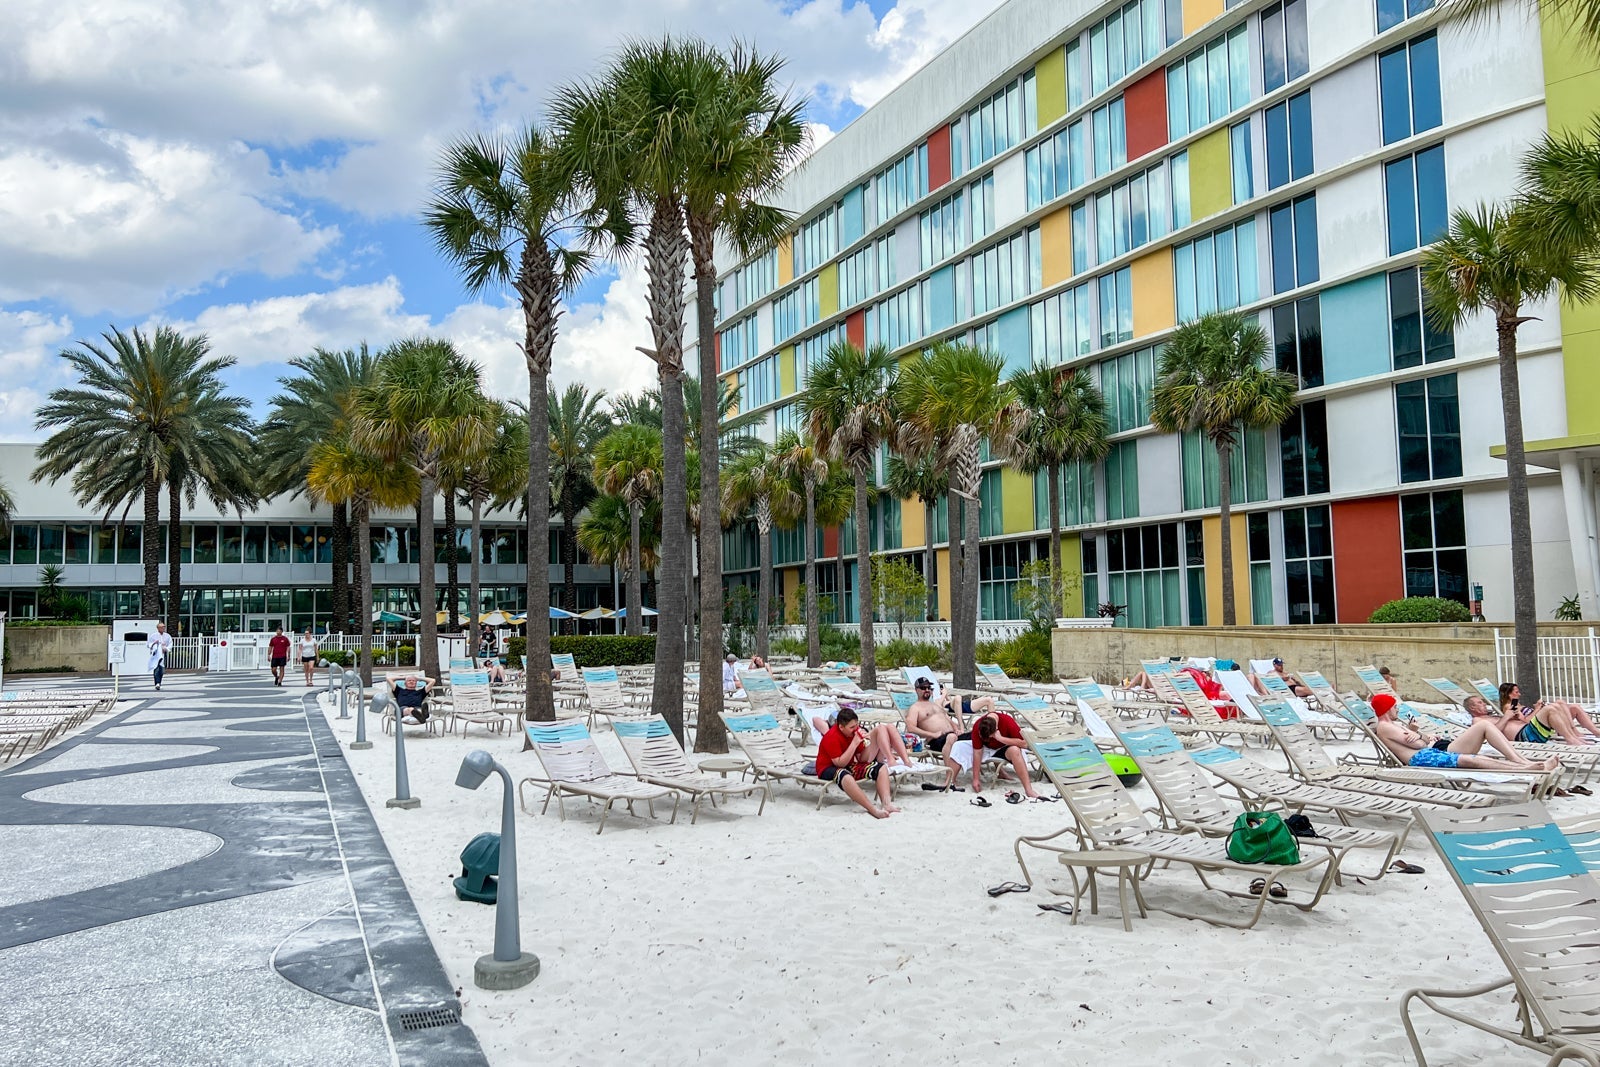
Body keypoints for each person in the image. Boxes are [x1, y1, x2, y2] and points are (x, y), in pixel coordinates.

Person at [1371, 694, 1559, 772]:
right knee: (1471, 759)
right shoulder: (1386, 727)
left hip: (1430, 751)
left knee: (1476, 745)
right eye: (1394, 707)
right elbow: (1420, 744)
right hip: (1421, 758)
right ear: (1386, 709)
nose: (1397, 710)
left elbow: (1425, 739)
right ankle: (1524, 768)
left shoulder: (1397, 725)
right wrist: (1419, 738)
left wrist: (1417, 734)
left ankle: (1526, 764)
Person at [813, 708, 899, 818]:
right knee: (845, 776)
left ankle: (887, 804)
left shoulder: (853, 733)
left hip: (848, 764)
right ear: (841, 727)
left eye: (856, 725)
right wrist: (854, 744)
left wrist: (872, 742)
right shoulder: (831, 737)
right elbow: (839, 764)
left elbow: (861, 759)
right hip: (827, 767)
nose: (855, 729)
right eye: (852, 727)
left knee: (880, 768)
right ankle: (872, 809)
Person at [953, 708, 1044, 798]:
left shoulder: (1007, 721)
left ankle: (1029, 790)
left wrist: (1001, 738)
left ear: (996, 729)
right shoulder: (979, 725)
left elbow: (1024, 743)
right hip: (986, 748)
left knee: (1015, 750)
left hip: (1004, 746)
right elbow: (977, 752)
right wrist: (976, 779)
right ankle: (951, 781)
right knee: (958, 746)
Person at [904, 677, 965, 789]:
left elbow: (950, 721)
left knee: (979, 733)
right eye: (923, 688)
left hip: (952, 735)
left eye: (929, 688)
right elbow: (910, 728)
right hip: (936, 740)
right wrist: (932, 735)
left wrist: (957, 729)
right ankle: (949, 779)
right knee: (951, 737)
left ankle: (1000, 772)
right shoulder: (915, 708)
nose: (927, 690)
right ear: (917, 690)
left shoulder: (936, 705)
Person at [1496, 682, 1600, 746]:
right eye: (1517, 692)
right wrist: (1537, 709)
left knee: (1570, 706)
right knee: (1555, 706)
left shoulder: (1517, 704)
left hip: (1542, 723)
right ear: (1509, 695)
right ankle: (1572, 735)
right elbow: (1526, 721)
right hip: (1535, 728)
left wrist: (1538, 708)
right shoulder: (1508, 707)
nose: (1520, 694)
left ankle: (1592, 732)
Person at [146, 621, 173, 691]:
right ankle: (157, 683)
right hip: (156, 654)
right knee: (156, 668)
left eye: (164, 627)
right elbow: (148, 644)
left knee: (161, 669)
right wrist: (154, 644)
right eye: (162, 627)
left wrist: (166, 649)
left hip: (163, 653)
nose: (163, 628)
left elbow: (170, 644)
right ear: (158, 628)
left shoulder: (167, 636)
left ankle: (159, 682)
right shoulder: (153, 635)